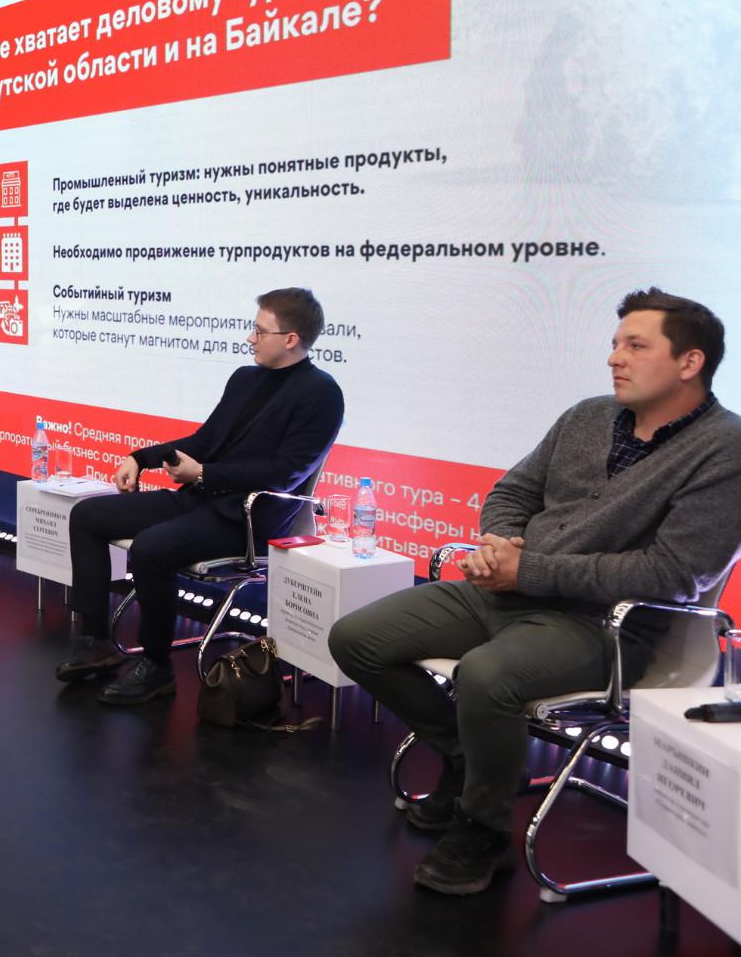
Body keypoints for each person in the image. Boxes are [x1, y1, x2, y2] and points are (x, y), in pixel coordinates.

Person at [329, 288, 741, 896]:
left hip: (606, 626)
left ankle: (482, 827)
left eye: (635, 346)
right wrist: (500, 544)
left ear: (690, 362)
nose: (614, 358)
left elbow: (674, 574)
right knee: (355, 638)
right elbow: (512, 491)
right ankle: (469, 761)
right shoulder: (587, 415)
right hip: (504, 591)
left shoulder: (725, 449)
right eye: (615, 344)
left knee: (487, 676)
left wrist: (531, 571)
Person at [56, 288, 344, 705]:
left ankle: (157, 666)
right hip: (202, 497)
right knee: (87, 516)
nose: (250, 338)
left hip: (247, 519)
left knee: (152, 547)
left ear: (291, 339)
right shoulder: (245, 378)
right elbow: (205, 440)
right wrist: (142, 458)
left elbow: (286, 473)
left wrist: (205, 473)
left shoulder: (322, 394)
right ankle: (96, 641)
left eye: (259, 331)